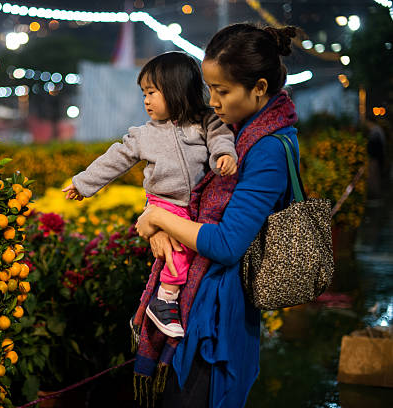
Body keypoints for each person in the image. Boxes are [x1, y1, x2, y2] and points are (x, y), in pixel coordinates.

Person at [133, 24, 300, 408]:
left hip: (220, 315)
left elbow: (226, 243)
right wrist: (156, 220)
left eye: (223, 90)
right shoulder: (234, 135)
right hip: (199, 300)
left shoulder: (267, 150)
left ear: (259, 87)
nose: (214, 101)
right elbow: (179, 192)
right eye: (210, 89)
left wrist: (158, 216)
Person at [62, 52, 238, 338]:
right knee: (179, 254)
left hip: (196, 205)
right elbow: (114, 159)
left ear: (177, 89)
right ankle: (164, 300)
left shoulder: (205, 122)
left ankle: (172, 301)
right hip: (164, 203)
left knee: (195, 255)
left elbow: (221, 138)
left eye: (152, 93)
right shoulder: (144, 135)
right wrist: (82, 184)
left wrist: (224, 155)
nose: (146, 100)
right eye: (144, 93)